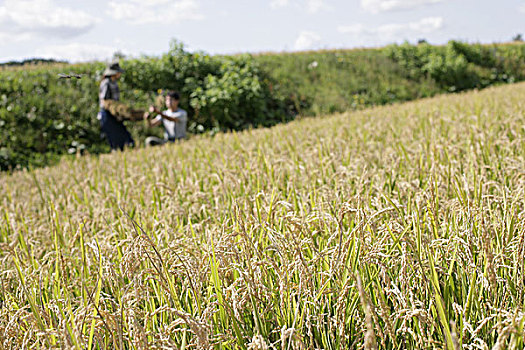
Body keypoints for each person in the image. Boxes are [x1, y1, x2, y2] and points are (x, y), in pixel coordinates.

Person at [97, 61, 135, 151]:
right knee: (115, 139)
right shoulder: (106, 83)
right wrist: (113, 109)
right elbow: (104, 100)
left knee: (124, 137)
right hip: (107, 114)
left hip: (114, 114)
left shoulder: (114, 83)